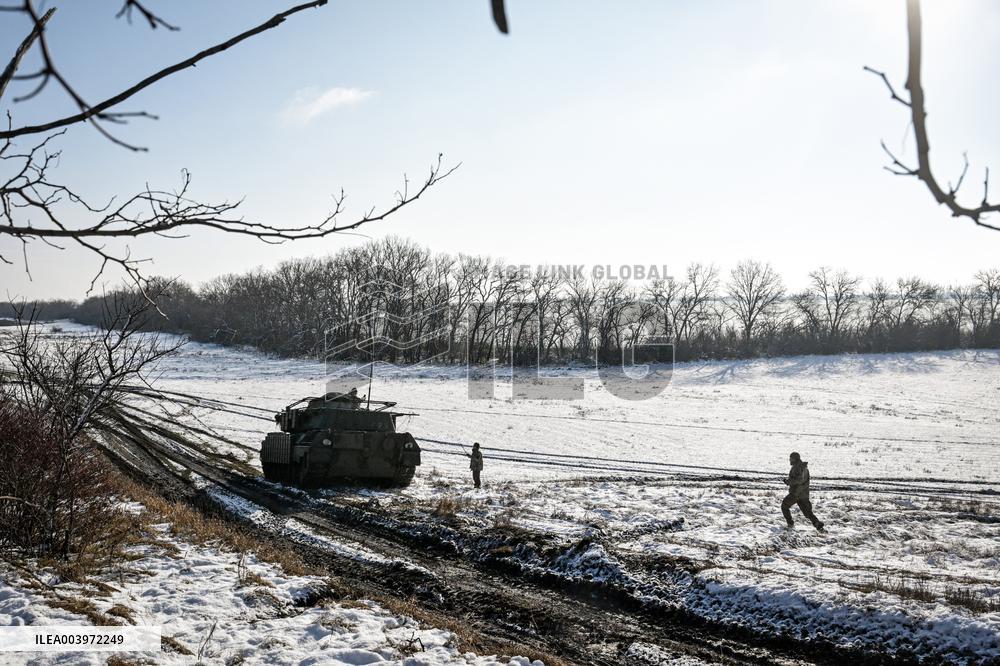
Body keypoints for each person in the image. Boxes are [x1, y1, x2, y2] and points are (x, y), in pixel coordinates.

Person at [781, 451, 824, 531]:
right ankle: (818, 525)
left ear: (795, 459)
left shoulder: (798, 467)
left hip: (796, 493)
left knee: (784, 506)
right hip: (803, 494)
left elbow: (799, 480)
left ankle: (790, 524)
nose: (790, 460)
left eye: (791, 458)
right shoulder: (802, 467)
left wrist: (788, 481)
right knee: (807, 513)